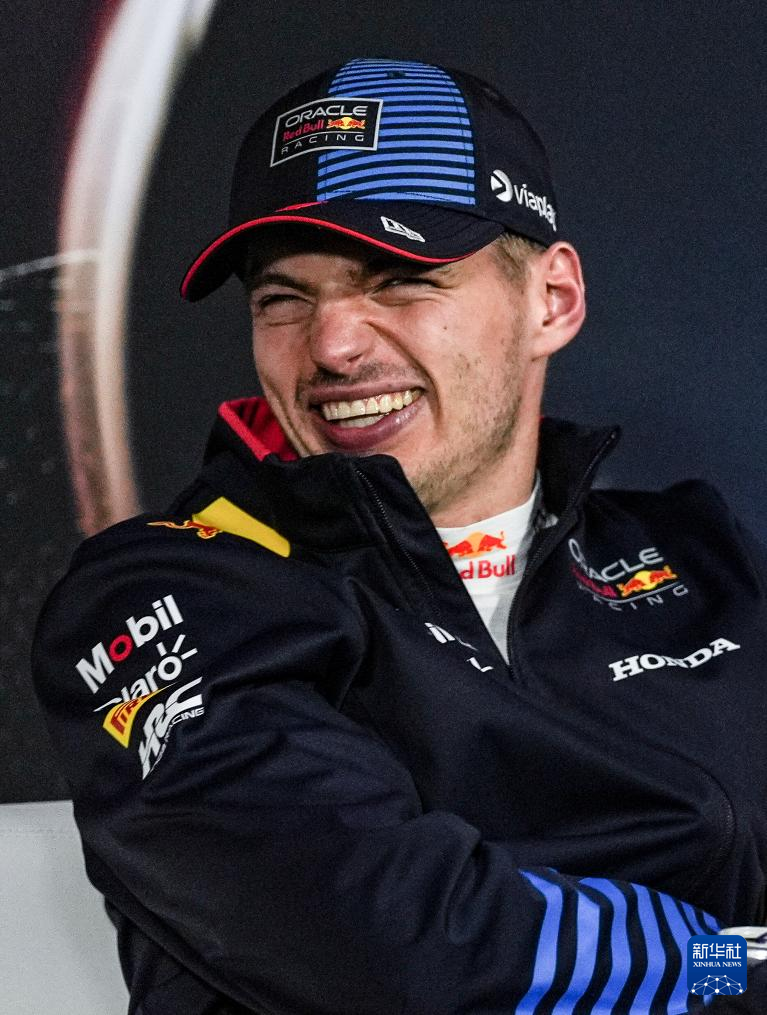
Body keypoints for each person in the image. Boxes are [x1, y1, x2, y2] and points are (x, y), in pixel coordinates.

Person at [33, 57, 766, 1014]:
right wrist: (730, 967)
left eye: (402, 279)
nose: (332, 345)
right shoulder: (166, 591)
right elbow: (401, 951)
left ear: (550, 300)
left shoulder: (698, 555)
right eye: (282, 298)